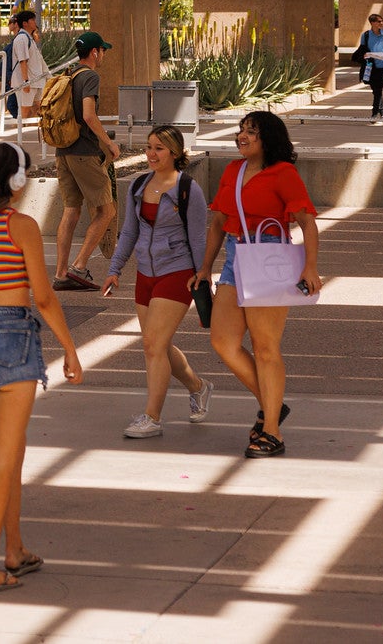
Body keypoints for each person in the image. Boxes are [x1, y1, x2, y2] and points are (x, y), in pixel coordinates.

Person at [0, 142, 83, 593]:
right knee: (4, 459)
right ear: (16, 181)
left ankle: (15, 549)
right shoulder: (19, 226)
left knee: (13, 448)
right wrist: (70, 349)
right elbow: (43, 297)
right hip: (12, 338)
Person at [196, 110, 321, 459]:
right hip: (236, 257)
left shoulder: (284, 173)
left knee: (265, 347)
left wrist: (310, 267)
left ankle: (272, 432)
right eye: (241, 130)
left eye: (251, 132)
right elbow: (218, 223)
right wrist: (205, 268)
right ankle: (272, 403)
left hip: (268, 256)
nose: (242, 136)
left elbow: (307, 223)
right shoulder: (233, 170)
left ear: (268, 138)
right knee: (223, 341)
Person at [101, 126, 212, 439]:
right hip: (145, 273)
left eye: (160, 148)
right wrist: (115, 268)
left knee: (153, 344)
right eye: (149, 147)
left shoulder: (188, 189)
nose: (152, 153)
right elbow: (130, 232)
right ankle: (199, 387)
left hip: (178, 271)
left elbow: (198, 235)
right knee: (157, 344)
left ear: (175, 153)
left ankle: (152, 417)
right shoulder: (138, 184)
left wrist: (202, 273)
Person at [51, 31, 120, 291]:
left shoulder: (69, 74)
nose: (103, 55)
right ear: (95, 52)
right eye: (103, 51)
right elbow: (89, 115)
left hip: (63, 151)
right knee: (107, 210)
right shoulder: (90, 76)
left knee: (71, 210)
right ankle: (79, 267)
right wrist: (110, 143)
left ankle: (61, 274)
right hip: (84, 152)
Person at [3, 8, 48, 120]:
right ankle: (20, 134)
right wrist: (25, 82)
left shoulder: (29, 38)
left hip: (36, 80)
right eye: (32, 20)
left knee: (37, 108)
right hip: (28, 81)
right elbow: (23, 61)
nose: (35, 22)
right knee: (25, 110)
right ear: (25, 23)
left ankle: (34, 132)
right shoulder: (22, 38)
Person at [353, 11, 383, 119]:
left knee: (379, 88)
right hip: (370, 66)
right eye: (379, 21)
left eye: (382, 21)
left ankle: (374, 112)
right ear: (372, 23)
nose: (381, 23)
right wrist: (364, 55)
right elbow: (362, 49)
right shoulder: (366, 35)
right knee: (375, 89)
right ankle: (382, 110)